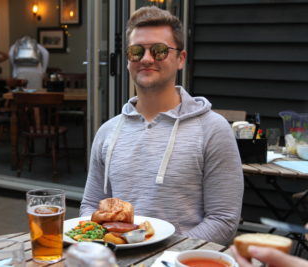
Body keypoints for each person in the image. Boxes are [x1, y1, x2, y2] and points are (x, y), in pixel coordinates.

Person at [80, 6, 244, 245]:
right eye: (137, 51)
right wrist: (104, 246)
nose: (146, 59)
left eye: (159, 51)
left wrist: (160, 256)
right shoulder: (107, 131)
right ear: (128, 60)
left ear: (181, 59)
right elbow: (90, 206)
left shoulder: (212, 129)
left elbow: (224, 220)